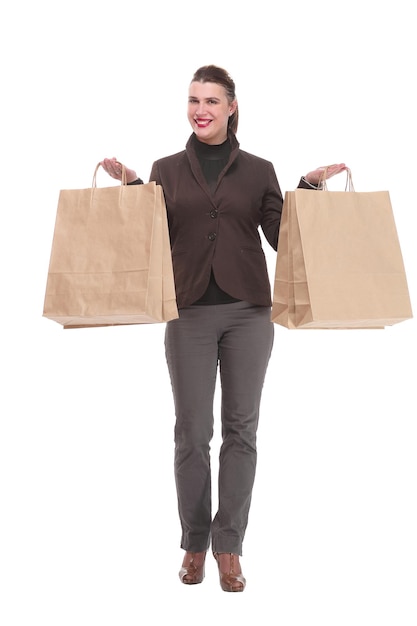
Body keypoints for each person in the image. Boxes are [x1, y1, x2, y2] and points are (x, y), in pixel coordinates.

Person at [101, 65, 346, 592]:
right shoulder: (166, 168)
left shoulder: (259, 170)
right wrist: (135, 190)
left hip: (248, 314)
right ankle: (194, 543)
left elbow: (285, 240)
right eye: (193, 99)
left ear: (232, 107)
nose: (201, 109)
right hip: (187, 311)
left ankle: (229, 547)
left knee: (242, 432)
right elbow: (153, 237)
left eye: (212, 100)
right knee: (192, 433)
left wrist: (305, 187)